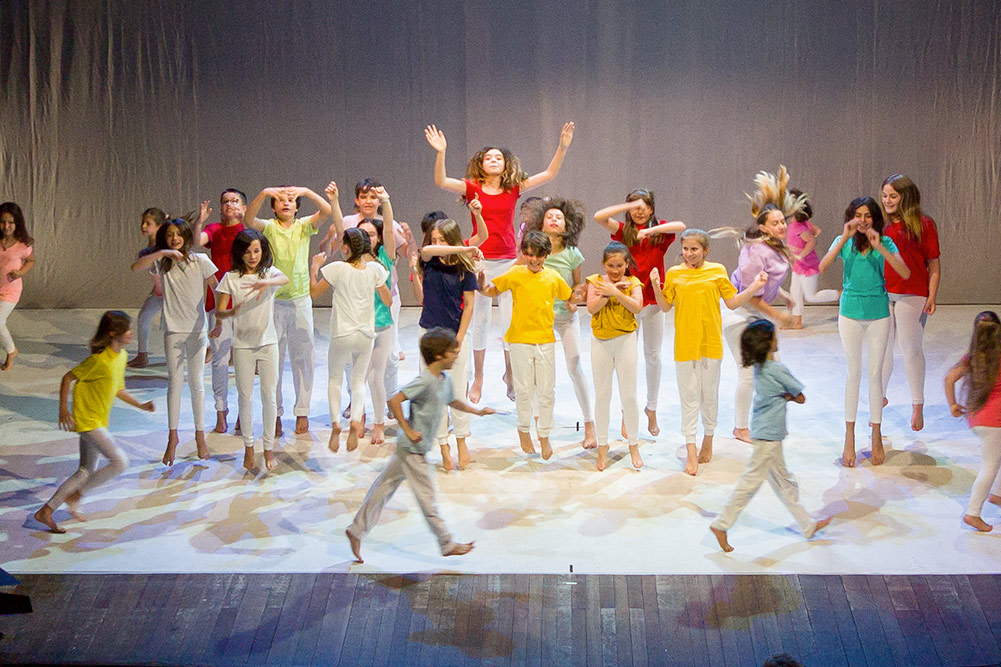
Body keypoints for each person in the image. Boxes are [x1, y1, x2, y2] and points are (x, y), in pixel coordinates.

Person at [425, 121, 575, 403]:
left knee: (509, 320)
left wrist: (562, 147)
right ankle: (479, 378)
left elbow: (549, 173)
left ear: (506, 165)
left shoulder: (513, 188)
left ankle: (509, 374)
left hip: (508, 260)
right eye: (488, 157)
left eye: (498, 157)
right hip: (478, 258)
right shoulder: (472, 187)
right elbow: (441, 181)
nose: (493, 160)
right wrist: (441, 152)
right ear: (481, 164)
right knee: (479, 320)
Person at [345, 328, 494, 563]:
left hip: (409, 449)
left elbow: (453, 401)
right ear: (439, 356)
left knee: (382, 490)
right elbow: (395, 400)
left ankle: (356, 530)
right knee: (427, 499)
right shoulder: (424, 381)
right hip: (413, 451)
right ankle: (446, 543)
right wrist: (407, 429)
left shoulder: (445, 380)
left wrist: (477, 411)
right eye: (452, 352)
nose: (456, 355)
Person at [651, 229, 768, 475]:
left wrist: (755, 286)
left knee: (709, 395)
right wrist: (655, 285)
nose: (689, 253)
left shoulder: (717, 271)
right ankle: (690, 448)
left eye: (694, 249)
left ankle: (708, 438)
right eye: (685, 249)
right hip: (685, 345)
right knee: (688, 397)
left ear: (705, 250)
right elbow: (665, 307)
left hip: (711, 343)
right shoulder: (674, 273)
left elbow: (732, 302)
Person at [709, 319, 830, 552]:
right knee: (751, 482)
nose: (777, 339)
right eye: (774, 336)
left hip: (764, 432)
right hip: (770, 436)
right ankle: (721, 524)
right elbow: (801, 396)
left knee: (784, 482)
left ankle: (807, 525)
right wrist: (789, 396)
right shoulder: (777, 369)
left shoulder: (759, 369)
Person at [33, 311, 154, 533]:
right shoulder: (98, 360)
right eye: (126, 329)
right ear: (113, 333)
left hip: (99, 420)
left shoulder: (121, 356)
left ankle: (46, 512)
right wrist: (63, 410)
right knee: (120, 462)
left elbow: (119, 389)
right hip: (87, 421)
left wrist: (141, 405)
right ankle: (76, 495)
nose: (131, 333)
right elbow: (68, 378)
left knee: (85, 470)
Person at [817, 197, 910, 467]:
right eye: (858, 215)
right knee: (854, 373)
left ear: (875, 218)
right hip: (850, 314)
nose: (862, 220)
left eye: (867, 215)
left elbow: (904, 272)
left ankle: (876, 433)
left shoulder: (885, 242)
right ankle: (849, 436)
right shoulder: (844, 240)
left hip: (878, 312)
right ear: (851, 217)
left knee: (875, 374)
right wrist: (844, 237)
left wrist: (879, 246)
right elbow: (821, 267)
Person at [720, 167, 804, 443]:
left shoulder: (774, 246)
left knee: (772, 367)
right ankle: (740, 428)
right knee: (747, 374)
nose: (782, 226)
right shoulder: (755, 251)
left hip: (754, 315)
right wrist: (778, 315)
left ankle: (768, 421)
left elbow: (767, 281)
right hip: (738, 313)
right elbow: (751, 295)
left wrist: (782, 293)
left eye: (783, 222)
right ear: (764, 227)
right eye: (776, 223)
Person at [593, 190, 685, 436]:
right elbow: (599, 216)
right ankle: (627, 411)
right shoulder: (623, 231)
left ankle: (651, 408)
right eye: (634, 207)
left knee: (653, 355)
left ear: (652, 209)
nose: (639, 211)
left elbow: (681, 226)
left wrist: (650, 231)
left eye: (644, 207)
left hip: (654, 299)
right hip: (629, 299)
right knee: (628, 358)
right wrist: (626, 207)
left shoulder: (660, 232)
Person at [243, 184, 332, 436]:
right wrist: (264, 193)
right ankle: (276, 412)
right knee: (274, 359)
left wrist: (305, 191)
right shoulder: (269, 227)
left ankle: (302, 410)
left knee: (303, 357)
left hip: (300, 299)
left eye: (290, 200)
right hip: (273, 300)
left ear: (296, 207)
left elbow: (326, 211)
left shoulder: (303, 226)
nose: (285, 203)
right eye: (280, 200)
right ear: (273, 207)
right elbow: (248, 220)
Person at [477, 231, 571, 459]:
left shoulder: (553, 277)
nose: (533, 260)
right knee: (523, 389)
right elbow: (493, 290)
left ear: (546, 255)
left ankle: (544, 434)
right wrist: (481, 287)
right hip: (519, 339)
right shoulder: (516, 273)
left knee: (547, 390)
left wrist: (583, 295)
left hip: (545, 340)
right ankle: (523, 429)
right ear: (523, 254)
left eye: (538, 255)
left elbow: (569, 296)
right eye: (528, 254)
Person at [131, 218, 217, 465]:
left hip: (197, 331)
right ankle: (173, 437)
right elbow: (135, 267)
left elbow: (217, 287)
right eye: (170, 235)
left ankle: (200, 437)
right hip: (173, 331)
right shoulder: (162, 262)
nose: (175, 238)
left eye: (179, 234)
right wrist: (163, 252)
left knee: (197, 384)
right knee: (175, 384)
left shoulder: (200, 260)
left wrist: (219, 320)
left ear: (187, 237)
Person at [412, 207, 487, 470]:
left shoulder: (464, 269)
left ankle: (462, 442)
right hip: (429, 335)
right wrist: (463, 249)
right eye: (434, 239)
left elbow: (469, 305)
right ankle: (443, 446)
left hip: (454, 336)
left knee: (457, 392)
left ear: (452, 239)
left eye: (443, 239)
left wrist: (460, 337)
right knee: (434, 394)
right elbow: (426, 251)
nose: (437, 244)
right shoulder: (428, 260)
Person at [522, 196, 596, 449]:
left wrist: (576, 298)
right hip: (539, 318)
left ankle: (589, 423)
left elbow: (576, 284)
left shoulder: (573, 254)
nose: (554, 220)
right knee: (536, 374)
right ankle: (539, 425)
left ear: (567, 225)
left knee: (575, 366)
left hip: (565, 317)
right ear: (540, 223)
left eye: (559, 217)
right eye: (549, 216)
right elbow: (519, 276)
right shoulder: (532, 253)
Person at [211, 229, 288, 472]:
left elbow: (284, 278)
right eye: (247, 252)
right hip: (242, 345)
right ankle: (248, 446)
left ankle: (268, 447)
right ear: (239, 253)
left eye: (256, 251)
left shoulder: (268, 273)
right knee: (245, 397)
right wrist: (230, 314)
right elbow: (220, 311)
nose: (253, 256)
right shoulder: (231, 278)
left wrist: (266, 282)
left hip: (268, 343)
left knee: (269, 396)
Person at [309, 228, 390, 453]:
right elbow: (387, 300)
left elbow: (314, 292)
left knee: (335, 379)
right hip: (365, 335)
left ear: (346, 247)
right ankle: (356, 419)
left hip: (342, 334)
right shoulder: (374, 270)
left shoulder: (336, 268)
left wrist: (314, 268)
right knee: (359, 381)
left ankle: (336, 421)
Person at [880, 174, 942, 432]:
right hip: (883, 293)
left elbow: (934, 264)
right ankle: (879, 397)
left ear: (905, 197)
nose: (887, 201)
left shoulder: (923, 224)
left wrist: (932, 295)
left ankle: (917, 404)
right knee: (882, 349)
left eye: (893, 196)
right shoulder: (881, 225)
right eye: (884, 196)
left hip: (912, 293)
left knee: (910, 348)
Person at [585, 242, 644, 470]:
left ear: (627, 264)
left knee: (629, 396)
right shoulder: (594, 282)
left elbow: (636, 307)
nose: (615, 270)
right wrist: (609, 291)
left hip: (625, 341)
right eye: (611, 266)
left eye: (620, 265)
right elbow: (592, 307)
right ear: (603, 264)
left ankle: (633, 445)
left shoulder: (633, 283)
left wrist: (616, 292)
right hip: (600, 342)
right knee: (602, 396)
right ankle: (602, 447)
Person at [944, 311, 1001, 532]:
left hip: (977, 418)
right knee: (990, 466)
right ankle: (973, 513)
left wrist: (953, 405)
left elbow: (949, 378)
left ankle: (997, 494)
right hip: (995, 420)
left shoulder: (973, 357)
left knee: (994, 458)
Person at [196, 189, 247, 433]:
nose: (230, 204)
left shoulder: (247, 232)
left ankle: (242, 412)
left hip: (243, 301)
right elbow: (199, 241)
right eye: (225, 201)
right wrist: (200, 220)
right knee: (220, 358)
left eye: (235, 201)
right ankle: (221, 410)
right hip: (218, 300)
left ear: (244, 208)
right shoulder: (214, 229)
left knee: (244, 361)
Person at [782, 189, 839, 330]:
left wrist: (800, 254)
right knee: (795, 292)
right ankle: (797, 322)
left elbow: (812, 242)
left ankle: (840, 294)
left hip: (808, 266)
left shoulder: (799, 227)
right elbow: (816, 231)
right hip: (799, 266)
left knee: (811, 296)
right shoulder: (798, 224)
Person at [126, 207, 166, 368]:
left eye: (148, 223)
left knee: (172, 327)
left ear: (159, 226)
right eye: (143, 222)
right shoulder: (148, 250)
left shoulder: (166, 247)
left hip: (173, 295)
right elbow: (139, 268)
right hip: (159, 294)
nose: (143, 226)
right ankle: (142, 355)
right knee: (143, 318)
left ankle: (204, 348)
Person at [0, 202, 35, 371]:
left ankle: (11, 351)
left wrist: (21, 272)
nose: (6, 226)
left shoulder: (22, 244)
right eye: (2, 222)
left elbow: (31, 261)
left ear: (17, 223)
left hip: (11, 290)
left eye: (10, 222)